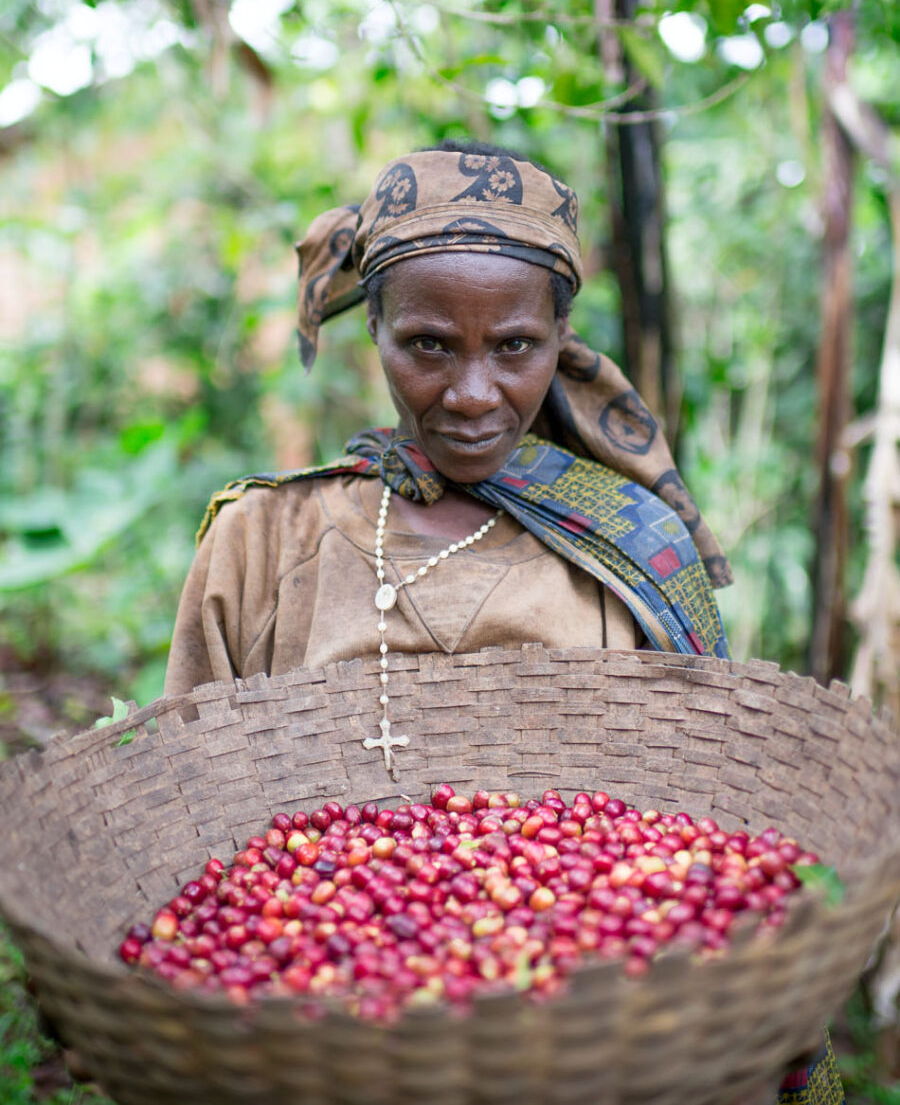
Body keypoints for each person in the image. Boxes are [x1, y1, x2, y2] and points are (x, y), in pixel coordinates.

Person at [164, 142, 841, 1104]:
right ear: (380, 333)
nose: (473, 394)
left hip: (586, 1051)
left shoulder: (632, 548)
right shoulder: (263, 540)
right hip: (318, 1044)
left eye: (514, 348)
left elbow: (694, 852)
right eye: (429, 345)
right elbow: (192, 842)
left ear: (560, 337)